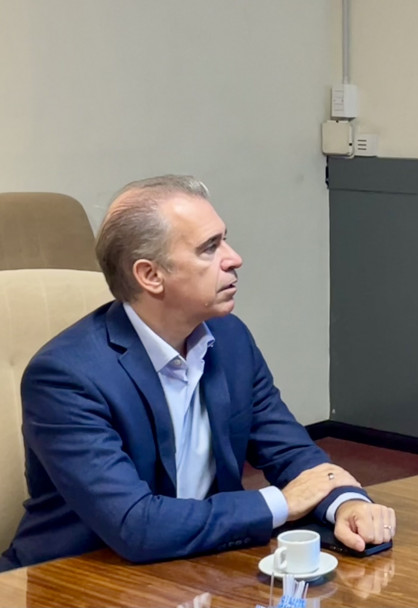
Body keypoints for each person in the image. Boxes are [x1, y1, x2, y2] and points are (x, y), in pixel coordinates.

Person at [0, 175, 395, 570]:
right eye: (210, 248)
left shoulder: (229, 338)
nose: (234, 257)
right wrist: (281, 503)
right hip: (76, 577)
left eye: (224, 239)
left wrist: (345, 502)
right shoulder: (66, 376)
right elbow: (135, 526)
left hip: (195, 567)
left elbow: (287, 449)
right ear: (150, 275)